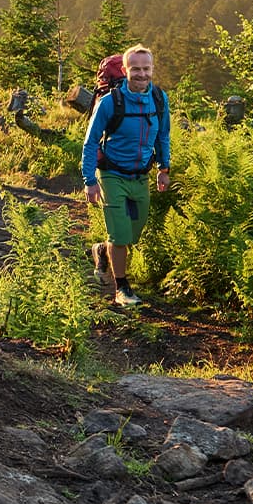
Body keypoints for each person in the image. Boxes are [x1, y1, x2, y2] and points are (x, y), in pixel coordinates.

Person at [80, 43, 170, 307]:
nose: (142, 74)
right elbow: (90, 142)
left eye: (146, 68)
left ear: (152, 68)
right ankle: (122, 288)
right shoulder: (110, 102)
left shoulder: (159, 98)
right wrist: (90, 181)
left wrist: (163, 169)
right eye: (136, 69)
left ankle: (101, 250)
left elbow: (163, 135)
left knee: (132, 233)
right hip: (111, 174)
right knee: (120, 237)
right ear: (124, 70)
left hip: (140, 175)